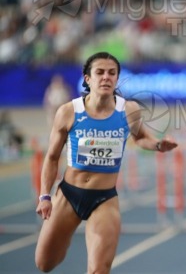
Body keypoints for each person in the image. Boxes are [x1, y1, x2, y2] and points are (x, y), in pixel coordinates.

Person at [35, 52, 178, 273]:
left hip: (104, 199)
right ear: (87, 78)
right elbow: (52, 157)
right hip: (69, 194)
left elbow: (141, 138)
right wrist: (45, 196)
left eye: (112, 73)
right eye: (99, 72)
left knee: (99, 269)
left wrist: (159, 145)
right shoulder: (68, 112)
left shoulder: (128, 110)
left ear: (117, 79)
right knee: (44, 263)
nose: (106, 77)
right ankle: (64, 237)